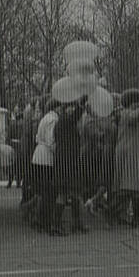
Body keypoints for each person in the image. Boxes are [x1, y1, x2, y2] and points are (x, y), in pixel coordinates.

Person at [113, 88, 139, 228]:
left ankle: (122, 214)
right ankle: (124, 214)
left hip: (134, 153)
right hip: (130, 154)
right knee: (133, 186)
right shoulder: (127, 114)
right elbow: (137, 116)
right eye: (137, 101)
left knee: (133, 187)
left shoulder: (128, 114)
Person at [52, 97, 89, 234]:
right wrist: (83, 101)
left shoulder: (62, 122)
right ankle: (56, 225)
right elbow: (76, 116)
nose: (72, 109)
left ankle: (75, 222)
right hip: (67, 162)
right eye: (70, 107)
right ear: (65, 108)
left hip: (67, 161)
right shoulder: (65, 121)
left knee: (74, 193)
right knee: (64, 193)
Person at [30, 98, 59, 235]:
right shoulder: (53, 120)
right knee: (48, 191)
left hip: (38, 155)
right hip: (47, 157)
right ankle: (43, 219)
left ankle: (37, 218)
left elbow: (37, 137)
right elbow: (50, 140)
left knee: (42, 190)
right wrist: (58, 152)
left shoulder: (44, 118)